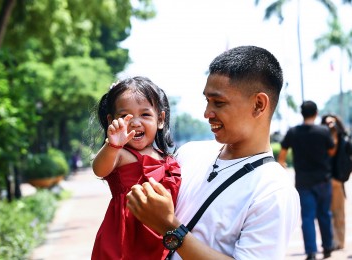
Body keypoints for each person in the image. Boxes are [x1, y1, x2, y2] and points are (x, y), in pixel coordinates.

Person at [126, 45, 300, 260]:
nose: (207, 113)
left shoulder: (273, 191)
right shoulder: (189, 154)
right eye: (207, 101)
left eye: (219, 102)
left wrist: (168, 226)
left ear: (258, 104)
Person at [91, 76, 182, 259]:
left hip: (160, 235)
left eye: (145, 114)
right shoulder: (120, 154)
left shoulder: (168, 160)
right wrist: (113, 145)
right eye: (125, 116)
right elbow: (99, 169)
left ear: (161, 119)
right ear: (112, 121)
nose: (135, 122)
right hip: (124, 241)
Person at [279, 101, 336, 260]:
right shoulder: (323, 131)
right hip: (323, 179)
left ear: (301, 113)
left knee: (307, 217)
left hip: (303, 182)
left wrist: (281, 168)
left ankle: (311, 252)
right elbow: (331, 151)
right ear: (316, 113)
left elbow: (282, 156)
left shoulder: (293, 132)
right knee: (325, 214)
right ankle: (327, 247)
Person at [321, 114, 348, 250]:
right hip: (324, 180)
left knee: (339, 213)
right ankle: (330, 241)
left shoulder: (343, 139)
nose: (330, 125)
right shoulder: (321, 138)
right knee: (326, 213)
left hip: (337, 180)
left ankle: (339, 241)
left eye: (332, 122)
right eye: (327, 123)